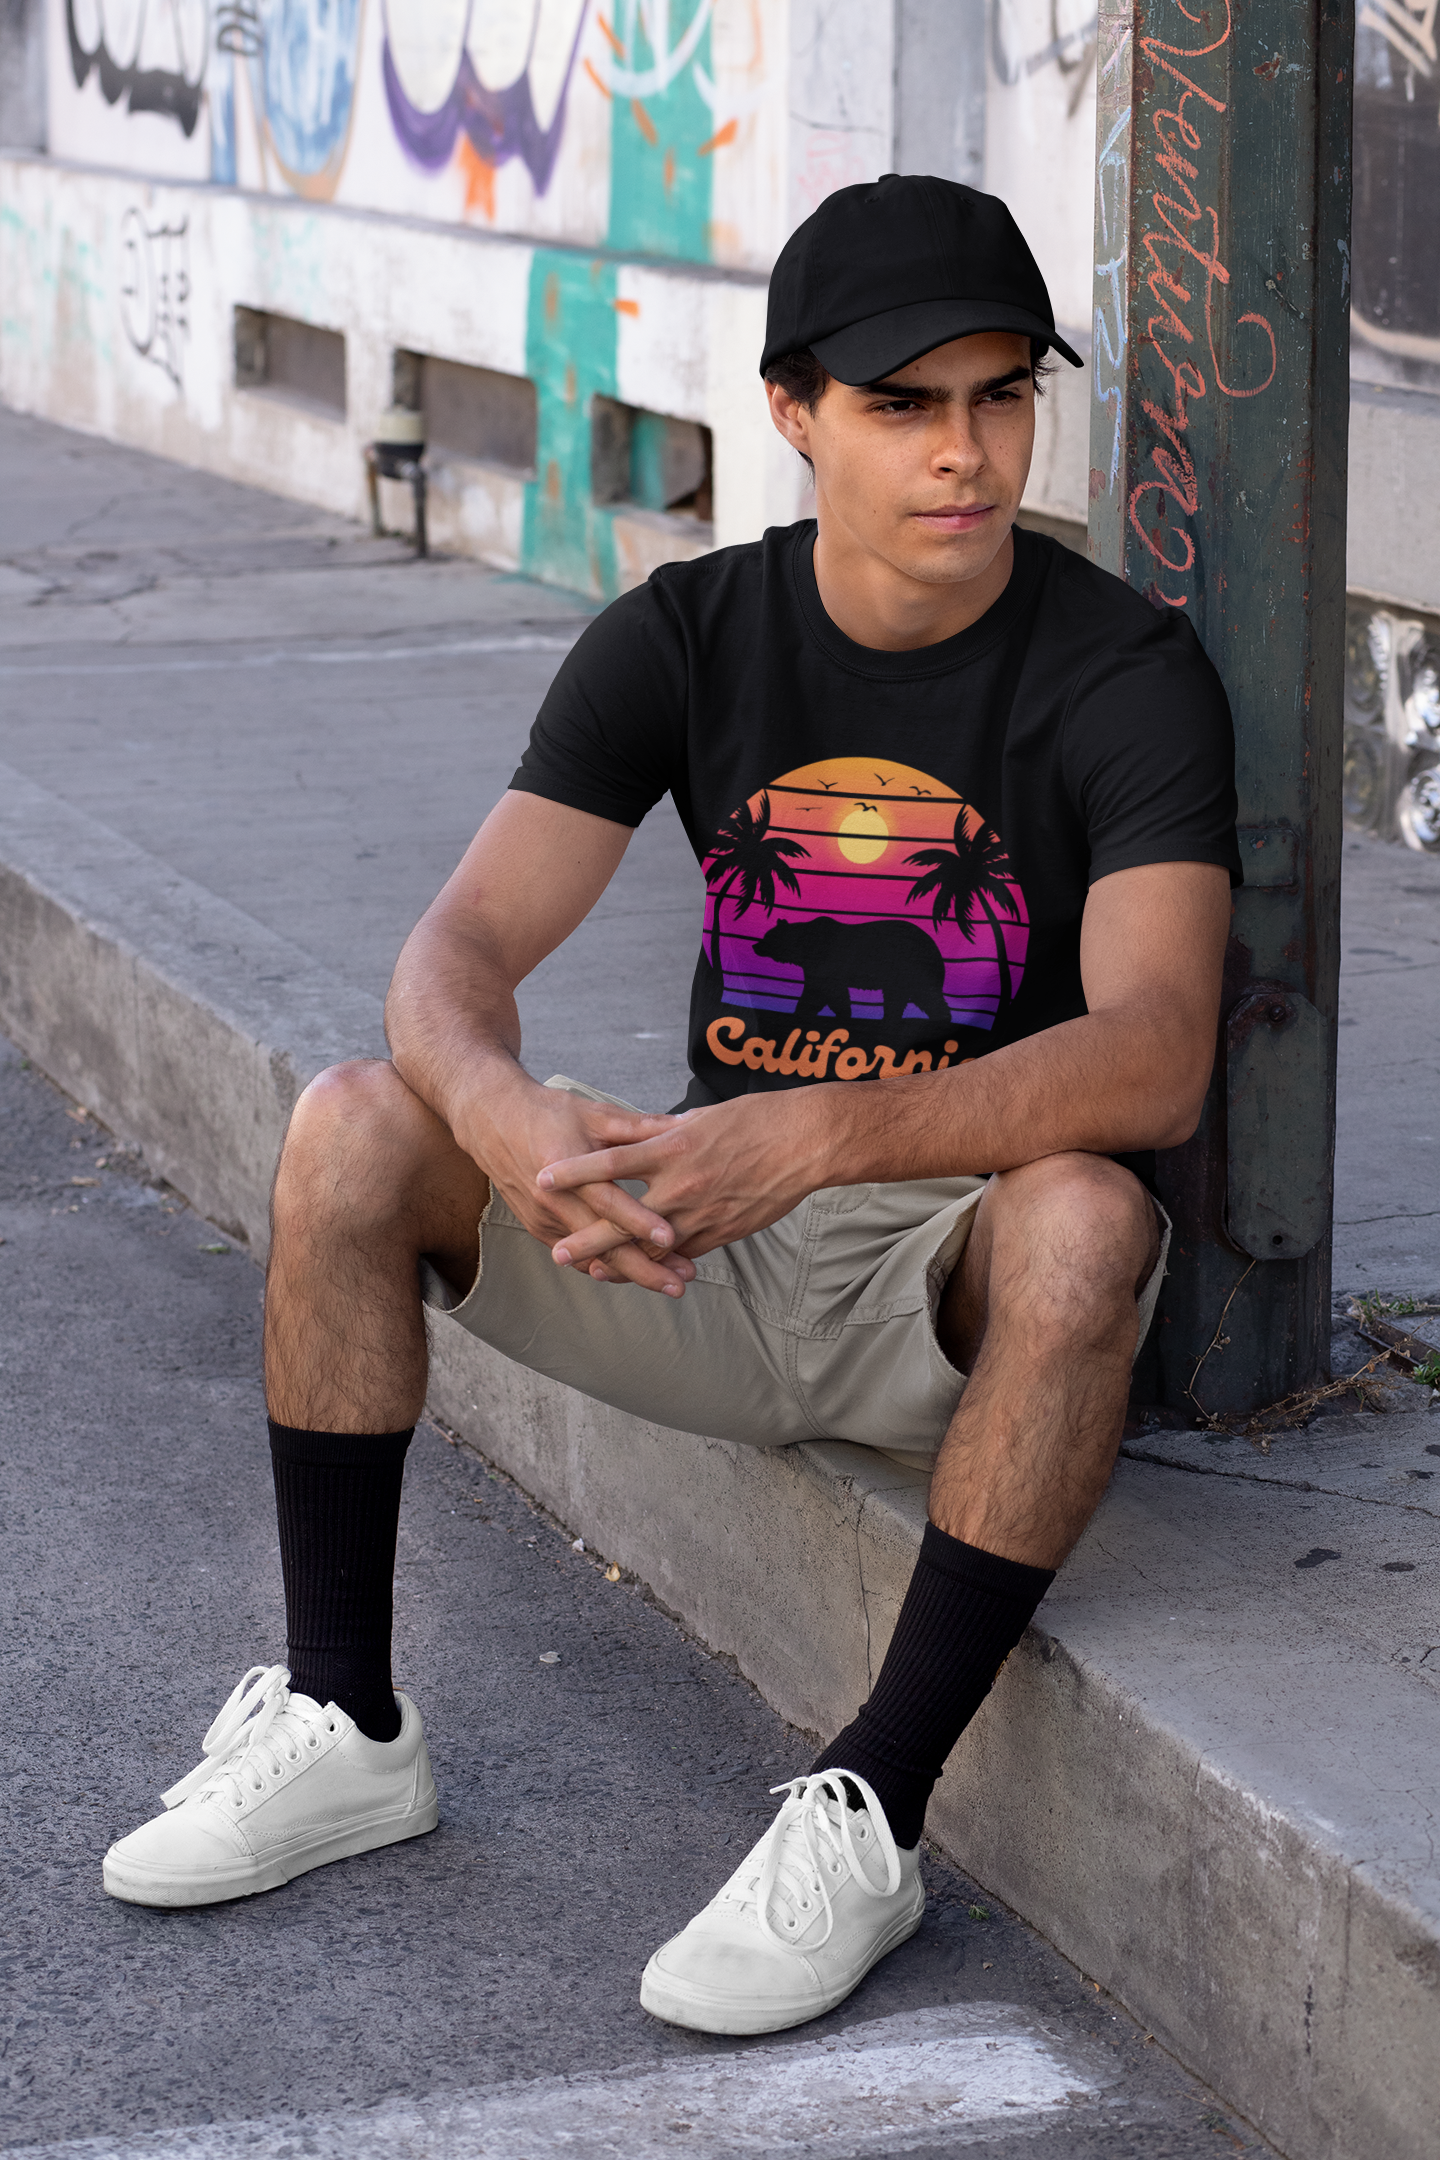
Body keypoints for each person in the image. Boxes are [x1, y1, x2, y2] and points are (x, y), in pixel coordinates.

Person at [103, 175, 1239, 2037]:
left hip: (943, 1274)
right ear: (792, 413)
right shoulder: (691, 634)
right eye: (903, 404)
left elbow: (1153, 1053)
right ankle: (344, 1719)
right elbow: (453, 951)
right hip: (689, 1249)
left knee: (1090, 1217)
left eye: (1001, 397)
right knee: (355, 1120)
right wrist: (502, 1113)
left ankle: (869, 1807)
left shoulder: (1122, 674)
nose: (966, 454)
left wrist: (818, 1133)